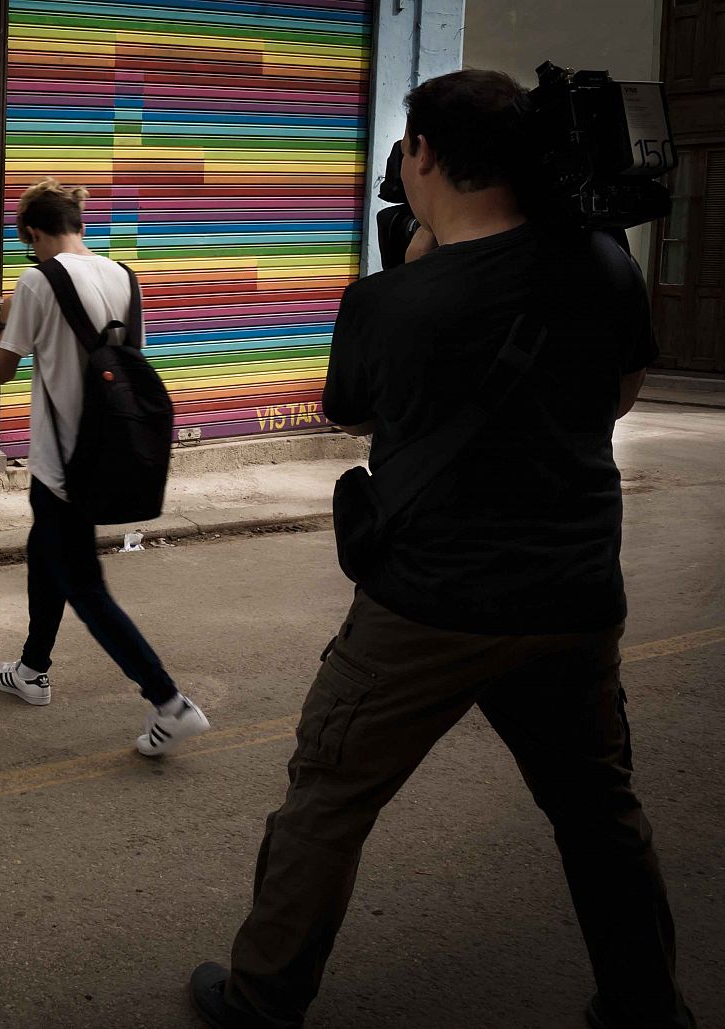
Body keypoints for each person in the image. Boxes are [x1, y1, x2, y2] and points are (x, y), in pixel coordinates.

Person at [188, 71, 694, 1029]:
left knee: (328, 798)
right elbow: (620, 393)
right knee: (598, 813)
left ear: (422, 156)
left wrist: (418, 273)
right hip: (574, 594)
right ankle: (645, 1007)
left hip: (426, 605)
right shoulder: (604, 264)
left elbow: (352, 416)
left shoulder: (389, 304)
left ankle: (261, 998)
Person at [0, 178, 210, 756]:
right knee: (47, 553)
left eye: (27, 242)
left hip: (62, 462)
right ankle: (33, 670)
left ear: (33, 232)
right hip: (110, 450)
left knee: (84, 584)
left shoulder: (38, 280)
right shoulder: (123, 276)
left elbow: (0, 372)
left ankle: (168, 701)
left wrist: (7, 315)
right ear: (78, 223)